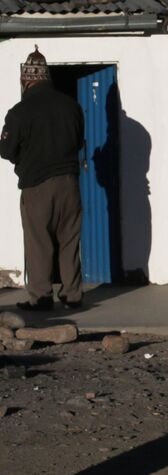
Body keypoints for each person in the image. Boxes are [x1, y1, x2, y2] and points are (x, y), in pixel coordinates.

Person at [0, 47, 85, 311]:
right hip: (69, 183)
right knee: (69, 239)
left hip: (37, 185)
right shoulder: (72, 106)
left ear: (26, 80)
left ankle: (41, 295)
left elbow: (5, 150)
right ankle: (72, 294)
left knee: (39, 241)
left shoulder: (19, 112)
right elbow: (79, 141)